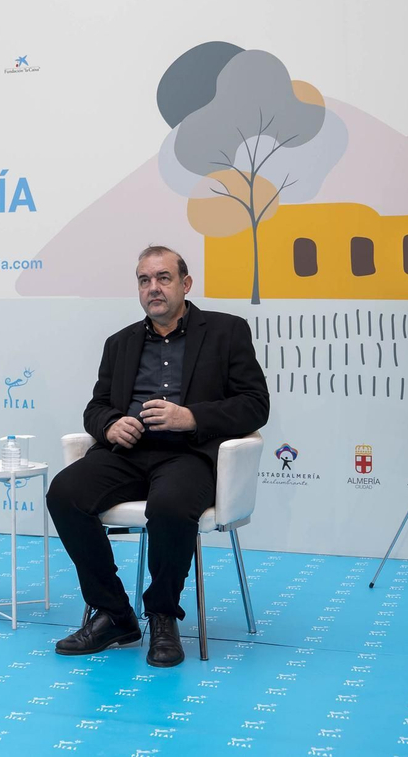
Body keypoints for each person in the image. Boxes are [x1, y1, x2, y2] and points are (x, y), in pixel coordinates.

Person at [45, 246, 268, 667]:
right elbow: (95, 407)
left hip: (189, 454)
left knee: (169, 507)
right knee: (64, 492)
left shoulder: (226, 332)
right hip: (128, 453)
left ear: (185, 284)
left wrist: (191, 417)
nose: (153, 288)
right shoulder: (120, 343)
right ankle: (113, 613)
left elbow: (256, 406)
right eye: (145, 280)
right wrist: (110, 424)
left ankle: (163, 615)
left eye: (163, 278)